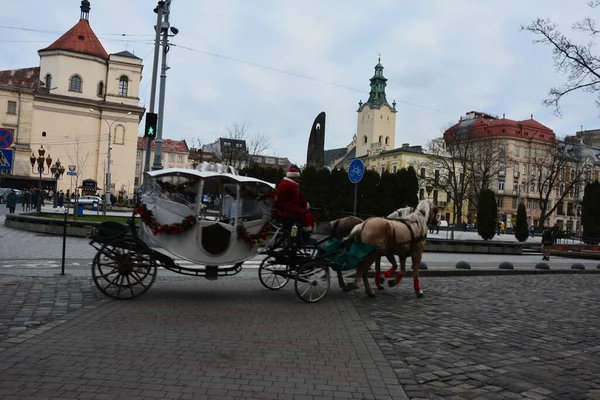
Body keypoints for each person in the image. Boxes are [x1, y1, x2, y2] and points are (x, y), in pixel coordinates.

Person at [273, 167, 315, 237]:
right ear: (294, 177)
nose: (298, 179)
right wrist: (306, 205)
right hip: (287, 209)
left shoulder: (284, 183)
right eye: (298, 177)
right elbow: (298, 199)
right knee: (306, 214)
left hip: (282, 208)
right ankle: (306, 233)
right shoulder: (292, 185)